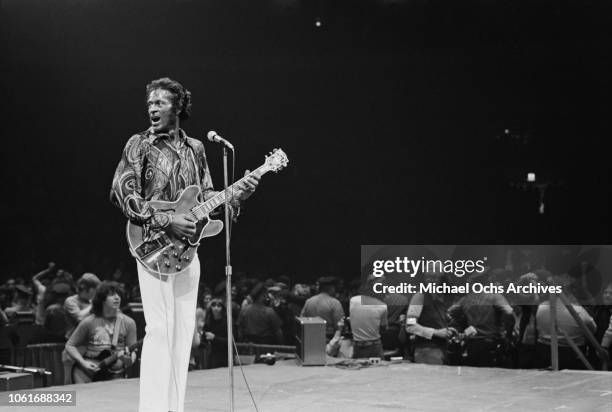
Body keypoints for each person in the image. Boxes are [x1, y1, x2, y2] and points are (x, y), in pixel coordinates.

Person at [110, 77, 258, 412]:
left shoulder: (197, 149)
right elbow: (122, 192)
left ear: (178, 107)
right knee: (161, 329)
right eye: (150, 103)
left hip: (188, 250)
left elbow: (205, 196)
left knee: (184, 332)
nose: (152, 108)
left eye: (159, 102)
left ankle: (173, 408)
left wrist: (236, 194)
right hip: (153, 246)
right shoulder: (139, 145)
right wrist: (167, 220)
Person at [65, 282, 137, 382]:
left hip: (115, 375)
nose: (117, 297)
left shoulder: (129, 322)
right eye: (112, 295)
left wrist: (127, 360)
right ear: (102, 299)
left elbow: (132, 353)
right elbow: (70, 345)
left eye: (118, 294)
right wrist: (83, 363)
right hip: (86, 374)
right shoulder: (89, 321)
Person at [63, 273, 101, 338]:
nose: (97, 292)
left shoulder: (91, 302)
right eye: (95, 289)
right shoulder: (71, 301)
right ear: (85, 288)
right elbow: (80, 318)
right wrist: (94, 304)